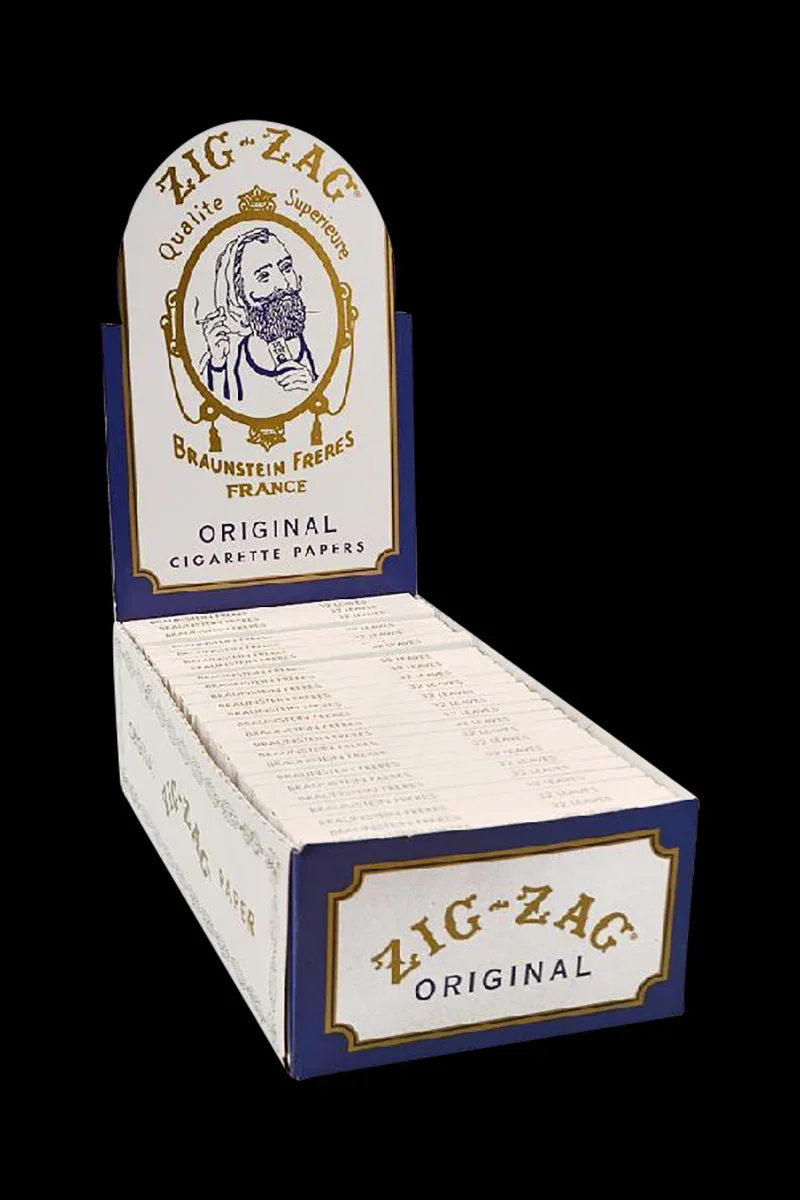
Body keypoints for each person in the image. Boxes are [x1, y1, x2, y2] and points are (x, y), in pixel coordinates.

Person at [199, 227, 317, 416]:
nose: (284, 284)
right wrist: (218, 364)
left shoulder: (315, 344)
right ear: (239, 294)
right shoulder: (230, 356)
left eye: (286, 268)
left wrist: (310, 391)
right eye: (264, 276)